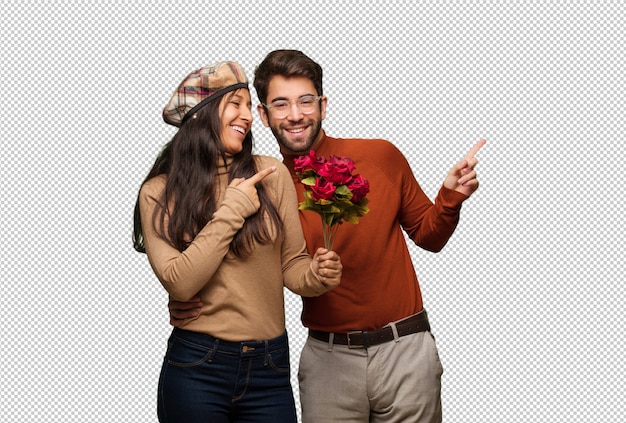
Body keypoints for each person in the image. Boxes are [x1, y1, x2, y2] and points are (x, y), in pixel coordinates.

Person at [169, 51, 485, 423]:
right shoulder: (267, 185)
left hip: (406, 349)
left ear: (323, 105)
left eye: (306, 101)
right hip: (328, 359)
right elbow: (241, 262)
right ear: (263, 115)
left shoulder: (380, 156)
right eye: (281, 104)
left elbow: (430, 236)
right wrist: (193, 303)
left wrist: (449, 199)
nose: (296, 115)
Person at [132, 60, 343, 423]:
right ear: (200, 115)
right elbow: (181, 283)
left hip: (269, 365)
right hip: (198, 365)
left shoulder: (270, 174)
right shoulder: (158, 192)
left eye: (249, 105)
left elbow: (292, 264)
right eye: (236, 104)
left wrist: (317, 276)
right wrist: (233, 208)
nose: (248, 116)